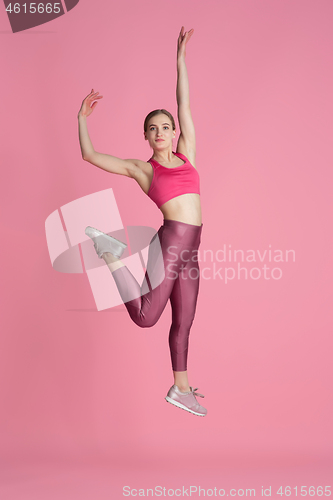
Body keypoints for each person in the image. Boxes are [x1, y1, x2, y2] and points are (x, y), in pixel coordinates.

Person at [77, 27, 206, 417]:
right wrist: (81, 119)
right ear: (147, 137)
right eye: (153, 129)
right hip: (171, 241)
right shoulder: (143, 170)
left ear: (173, 132)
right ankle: (112, 254)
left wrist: (180, 61)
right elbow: (91, 156)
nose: (161, 132)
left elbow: (184, 104)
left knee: (183, 323)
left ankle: (180, 389)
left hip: (193, 247)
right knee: (147, 317)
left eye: (165, 127)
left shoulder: (187, 154)